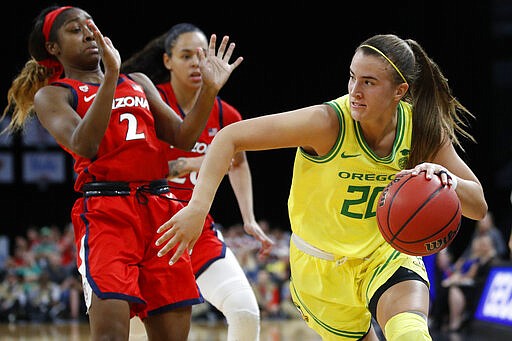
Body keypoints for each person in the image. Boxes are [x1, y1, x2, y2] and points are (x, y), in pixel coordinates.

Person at [154, 34, 488, 340]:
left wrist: (448, 181)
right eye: (352, 76)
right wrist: (197, 209)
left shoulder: (421, 131)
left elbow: (478, 206)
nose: (355, 90)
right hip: (321, 268)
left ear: (399, 91)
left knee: (410, 333)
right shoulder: (327, 123)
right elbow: (229, 137)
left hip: (384, 255)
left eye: (369, 82)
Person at [1, 5, 242, 340]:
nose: (88, 32)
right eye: (74, 29)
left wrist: (209, 91)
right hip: (107, 214)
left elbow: (184, 137)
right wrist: (110, 78)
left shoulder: (139, 82)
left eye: (91, 25)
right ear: (54, 49)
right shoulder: (54, 94)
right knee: (111, 335)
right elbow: (84, 143)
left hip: (160, 210)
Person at [121, 23, 273, 340]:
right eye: (185, 55)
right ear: (167, 62)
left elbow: (239, 163)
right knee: (136, 331)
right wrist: (196, 162)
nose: (195, 63)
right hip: (148, 232)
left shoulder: (226, 115)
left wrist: (248, 218)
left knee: (245, 312)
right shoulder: (145, 101)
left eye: (200, 55)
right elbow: (131, 166)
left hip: (197, 230)